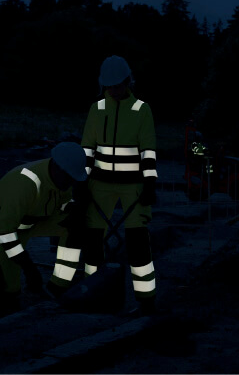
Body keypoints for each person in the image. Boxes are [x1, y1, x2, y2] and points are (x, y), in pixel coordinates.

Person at [0, 142, 88, 298]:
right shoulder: (25, 183)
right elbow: (5, 233)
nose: (71, 183)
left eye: (74, 179)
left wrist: (72, 209)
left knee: (75, 226)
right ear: (57, 167)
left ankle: (58, 287)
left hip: (30, 221)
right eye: (69, 178)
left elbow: (64, 203)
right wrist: (29, 269)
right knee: (4, 291)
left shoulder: (62, 179)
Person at [79, 55, 159, 315]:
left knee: (138, 241)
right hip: (99, 183)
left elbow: (148, 150)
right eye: (109, 86)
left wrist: (150, 183)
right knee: (93, 239)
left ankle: (146, 300)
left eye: (117, 85)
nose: (113, 90)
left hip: (133, 185)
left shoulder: (142, 110)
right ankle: (92, 293)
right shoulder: (97, 108)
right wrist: (82, 180)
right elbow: (87, 148)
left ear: (127, 82)